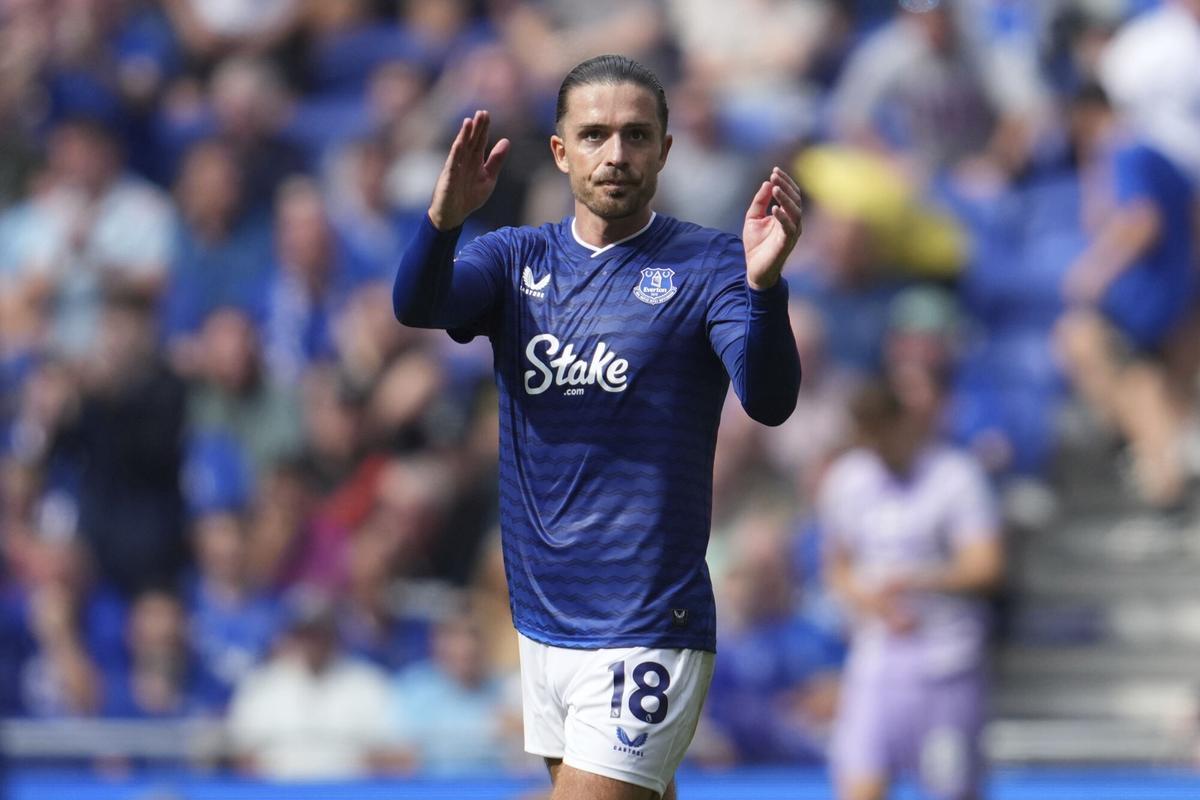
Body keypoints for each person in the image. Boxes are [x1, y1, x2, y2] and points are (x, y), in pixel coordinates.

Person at [392, 54, 802, 800]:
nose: (616, 154)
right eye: (594, 135)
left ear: (665, 150)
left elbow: (769, 400)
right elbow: (419, 304)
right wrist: (441, 224)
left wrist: (765, 290)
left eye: (636, 135)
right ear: (561, 151)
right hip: (544, 621)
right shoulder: (515, 259)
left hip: (647, 620)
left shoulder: (711, 264)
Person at [821, 376, 1004, 800]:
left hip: (947, 663)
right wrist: (869, 600)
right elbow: (837, 567)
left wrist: (916, 580)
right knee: (859, 784)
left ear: (903, 423)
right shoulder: (848, 479)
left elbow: (987, 566)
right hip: (876, 660)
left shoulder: (955, 476)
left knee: (951, 790)